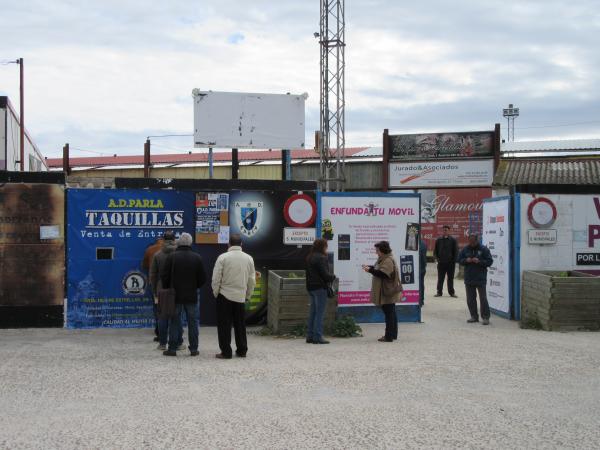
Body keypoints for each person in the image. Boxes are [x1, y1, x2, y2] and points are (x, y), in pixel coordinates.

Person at [161, 232, 207, 356]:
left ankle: (172, 349)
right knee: (193, 322)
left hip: (175, 295)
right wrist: (194, 287)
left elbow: (164, 276)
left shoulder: (172, 257)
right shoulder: (197, 257)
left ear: (179, 242)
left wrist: (168, 288)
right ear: (190, 243)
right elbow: (203, 279)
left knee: (175, 321)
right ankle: (194, 349)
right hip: (192, 295)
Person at [212, 234, 256, 359]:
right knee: (240, 324)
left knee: (224, 325)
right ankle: (242, 350)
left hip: (224, 295)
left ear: (229, 244)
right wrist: (248, 295)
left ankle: (226, 352)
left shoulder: (222, 258)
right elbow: (252, 280)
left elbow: (216, 278)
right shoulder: (249, 258)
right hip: (241, 296)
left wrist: (216, 293)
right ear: (241, 244)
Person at [149, 230, 183, 351]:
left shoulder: (157, 255)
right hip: (177, 288)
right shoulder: (179, 253)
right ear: (174, 240)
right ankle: (178, 343)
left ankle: (162, 343)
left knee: (162, 316)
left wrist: (154, 291)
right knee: (177, 316)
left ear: (163, 240)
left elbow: (153, 275)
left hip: (161, 288)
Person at [362, 241, 401, 342]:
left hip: (387, 291)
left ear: (383, 250)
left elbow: (383, 274)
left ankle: (388, 336)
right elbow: (378, 269)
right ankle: (393, 334)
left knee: (389, 313)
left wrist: (370, 270)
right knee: (391, 312)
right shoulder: (383, 259)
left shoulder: (388, 260)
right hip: (386, 290)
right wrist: (370, 267)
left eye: (377, 250)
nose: (376, 252)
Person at [305, 238, 336, 345]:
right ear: (323, 246)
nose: (327, 247)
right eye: (326, 246)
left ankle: (309, 336)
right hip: (320, 288)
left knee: (313, 312)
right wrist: (333, 277)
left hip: (311, 287)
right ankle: (318, 336)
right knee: (320, 313)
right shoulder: (321, 258)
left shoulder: (310, 257)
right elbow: (325, 275)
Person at [458, 234, 493, 325]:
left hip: (480, 278)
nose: (472, 243)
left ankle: (485, 317)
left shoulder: (484, 249)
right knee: (470, 299)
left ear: (477, 240)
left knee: (483, 299)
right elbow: (459, 259)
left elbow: (490, 262)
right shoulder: (465, 249)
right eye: (470, 241)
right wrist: (466, 260)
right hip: (469, 278)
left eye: (473, 242)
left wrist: (480, 261)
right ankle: (474, 316)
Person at [142, 236, 164, 341]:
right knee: (172, 306)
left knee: (157, 306)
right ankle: (172, 330)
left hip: (155, 283)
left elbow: (145, 265)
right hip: (170, 283)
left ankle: (159, 330)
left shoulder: (150, 249)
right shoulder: (174, 249)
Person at [433, 225, 458, 298]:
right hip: (441, 263)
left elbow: (456, 252)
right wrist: (436, 259)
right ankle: (439, 292)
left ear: (449, 231)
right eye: (443, 230)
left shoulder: (453, 240)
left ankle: (451, 293)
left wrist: (453, 261)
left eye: (446, 230)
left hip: (450, 263)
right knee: (440, 278)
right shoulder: (438, 240)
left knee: (450, 278)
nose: (445, 231)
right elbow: (435, 251)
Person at [419, 238, 427, 306]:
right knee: (421, 284)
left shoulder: (419, 243)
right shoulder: (423, 243)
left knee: (420, 284)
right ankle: (421, 300)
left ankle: (420, 300)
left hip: (419, 267)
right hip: (422, 267)